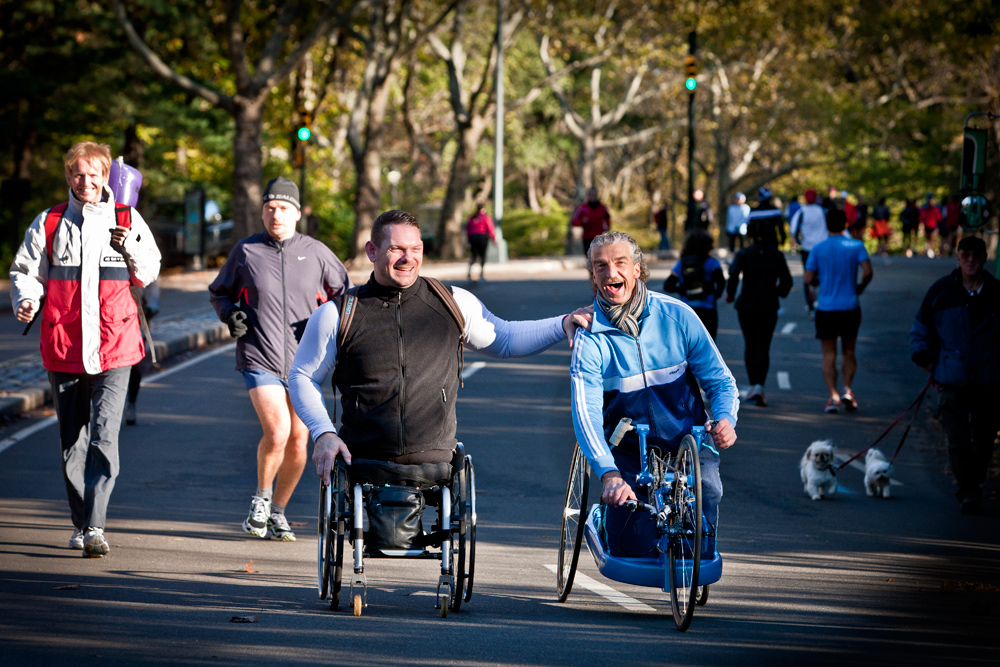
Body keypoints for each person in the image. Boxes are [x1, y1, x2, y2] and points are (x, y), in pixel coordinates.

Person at [289, 209, 590, 485]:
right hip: (363, 457)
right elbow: (302, 376)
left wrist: (562, 323)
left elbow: (505, 338)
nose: (408, 258)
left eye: (415, 249)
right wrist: (324, 433)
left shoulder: (451, 301)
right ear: (372, 250)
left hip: (433, 459)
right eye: (396, 249)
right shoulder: (339, 312)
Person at [9, 141, 162, 557]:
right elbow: (26, 270)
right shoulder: (49, 221)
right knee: (72, 441)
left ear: (106, 176)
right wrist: (26, 298)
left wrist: (127, 243)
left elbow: (148, 271)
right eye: (78, 174)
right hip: (65, 346)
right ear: (68, 177)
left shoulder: (128, 218)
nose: (86, 181)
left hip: (116, 346)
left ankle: (96, 526)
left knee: (103, 437)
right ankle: (81, 521)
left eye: (94, 174)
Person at [570, 231, 738, 559]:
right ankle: (605, 520)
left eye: (620, 263)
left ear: (637, 269)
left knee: (705, 505)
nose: (611, 273)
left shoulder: (677, 316)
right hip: (628, 449)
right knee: (629, 549)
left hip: (687, 438)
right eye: (600, 266)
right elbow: (585, 415)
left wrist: (726, 420)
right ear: (593, 275)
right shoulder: (589, 340)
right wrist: (609, 474)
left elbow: (721, 383)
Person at [209, 177, 351, 542]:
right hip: (259, 354)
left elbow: (345, 296)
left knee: (300, 439)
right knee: (277, 432)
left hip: (305, 362)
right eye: (270, 208)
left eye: (284, 208)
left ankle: (278, 512)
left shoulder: (317, 252)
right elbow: (219, 292)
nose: (276, 214)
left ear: (297, 214)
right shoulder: (246, 251)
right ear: (262, 212)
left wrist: (327, 324)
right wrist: (230, 315)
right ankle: (261, 498)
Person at [910, 236, 1000, 515]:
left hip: (989, 381)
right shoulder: (941, 291)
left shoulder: (997, 292)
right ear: (958, 257)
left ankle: (975, 480)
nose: (971, 259)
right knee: (957, 438)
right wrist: (926, 360)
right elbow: (920, 329)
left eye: (976, 254)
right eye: (965, 254)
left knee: (984, 439)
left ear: (985, 258)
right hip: (951, 378)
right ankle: (968, 491)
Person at [803, 209, 873, 414]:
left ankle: (833, 396)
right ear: (846, 225)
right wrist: (860, 286)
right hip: (850, 306)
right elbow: (868, 271)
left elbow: (808, 279)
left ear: (827, 225)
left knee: (828, 354)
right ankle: (847, 390)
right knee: (849, 351)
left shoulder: (818, 249)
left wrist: (822, 282)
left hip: (826, 308)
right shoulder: (856, 246)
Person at [726, 219, 793, 407]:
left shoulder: (744, 254)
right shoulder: (776, 255)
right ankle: (759, 386)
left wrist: (731, 294)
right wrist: (779, 291)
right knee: (764, 344)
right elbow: (787, 282)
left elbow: (733, 275)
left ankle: (753, 384)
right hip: (768, 305)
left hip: (747, 305)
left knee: (750, 344)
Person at [663, 229, 725, 340]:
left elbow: (668, 285)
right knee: (708, 345)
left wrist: (682, 290)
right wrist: (715, 294)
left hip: (687, 310)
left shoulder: (682, 263)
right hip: (708, 310)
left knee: (688, 347)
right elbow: (721, 283)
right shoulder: (712, 263)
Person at [124, 280, 160, 425]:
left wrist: (149, 308)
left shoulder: (138, 258)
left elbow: (152, 287)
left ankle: (131, 403)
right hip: (107, 320)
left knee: (133, 365)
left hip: (135, 322)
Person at [789, 188, 829, 315]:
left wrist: (800, 243)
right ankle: (824, 303)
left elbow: (793, 230)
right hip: (822, 248)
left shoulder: (801, 212)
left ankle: (811, 307)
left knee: (808, 276)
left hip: (807, 249)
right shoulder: (822, 211)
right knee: (823, 275)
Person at [571, 188, 611, 256]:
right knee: (589, 257)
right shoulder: (582, 207)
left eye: (594, 195)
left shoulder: (602, 208)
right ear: (588, 196)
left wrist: (607, 227)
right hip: (587, 237)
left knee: (599, 256)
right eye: (591, 195)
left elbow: (607, 219)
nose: (593, 196)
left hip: (600, 237)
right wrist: (582, 222)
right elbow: (574, 221)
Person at [465, 203, 496, 281]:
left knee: (474, 255)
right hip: (482, 237)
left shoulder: (472, 217)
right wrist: (493, 239)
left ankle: (469, 271)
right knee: (483, 255)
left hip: (473, 238)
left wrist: (469, 239)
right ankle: (481, 273)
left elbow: (468, 228)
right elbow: (490, 228)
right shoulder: (485, 217)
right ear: (483, 209)